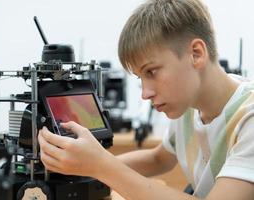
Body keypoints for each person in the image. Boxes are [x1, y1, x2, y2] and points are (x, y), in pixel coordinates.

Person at [38, 0, 254, 199]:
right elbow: (159, 159)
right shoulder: (188, 106)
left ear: (196, 54)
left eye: (151, 72)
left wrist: (101, 166)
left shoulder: (249, 118)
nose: (145, 94)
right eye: (141, 79)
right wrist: (84, 168)